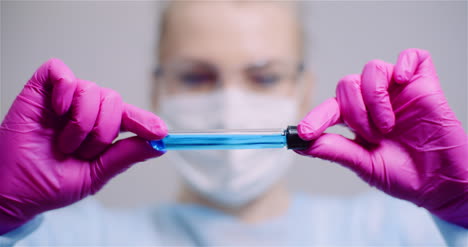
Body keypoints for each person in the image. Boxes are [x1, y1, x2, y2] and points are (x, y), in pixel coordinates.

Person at [0, 1, 467, 246]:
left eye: (264, 77)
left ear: (304, 91)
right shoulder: (68, 238)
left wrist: (461, 212)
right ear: (157, 88)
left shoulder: (403, 234)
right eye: (196, 76)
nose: (229, 101)